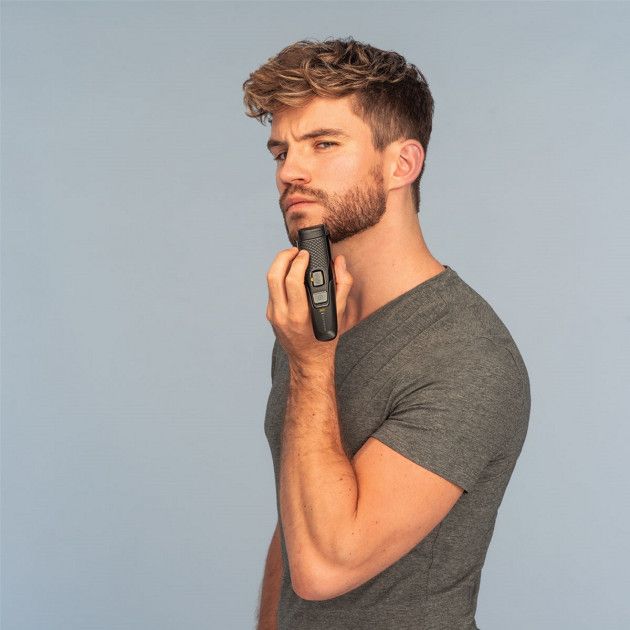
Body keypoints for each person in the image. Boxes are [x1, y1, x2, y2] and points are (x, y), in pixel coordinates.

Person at [242, 37, 530, 630]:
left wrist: (311, 365)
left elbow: (326, 566)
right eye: (281, 152)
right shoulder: (312, 324)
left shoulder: (465, 355)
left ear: (402, 164)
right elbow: (298, 517)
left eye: (323, 144)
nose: (290, 172)